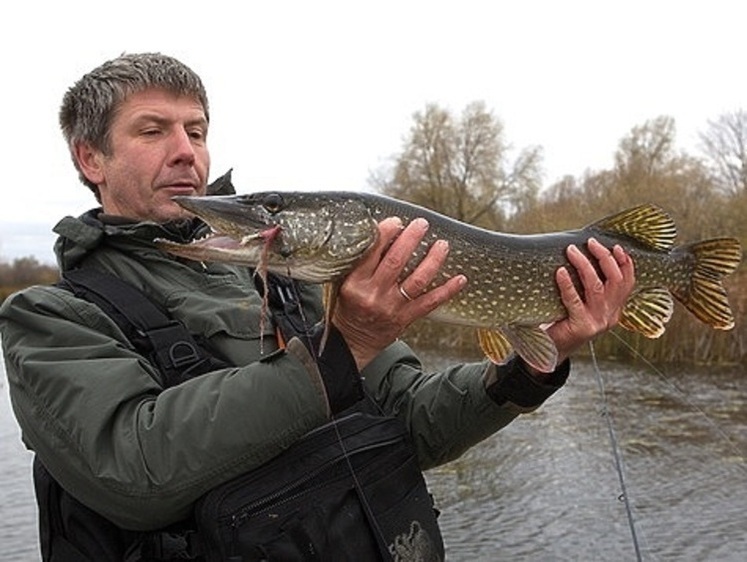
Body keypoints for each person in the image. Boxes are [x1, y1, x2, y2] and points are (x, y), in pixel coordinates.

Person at [0, 53, 635, 562]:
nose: (186, 151)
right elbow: (134, 473)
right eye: (152, 131)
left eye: (196, 130)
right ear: (91, 158)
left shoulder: (299, 285)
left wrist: (528, 371)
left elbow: (413, 424)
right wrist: (345, 347)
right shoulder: (51, 317)